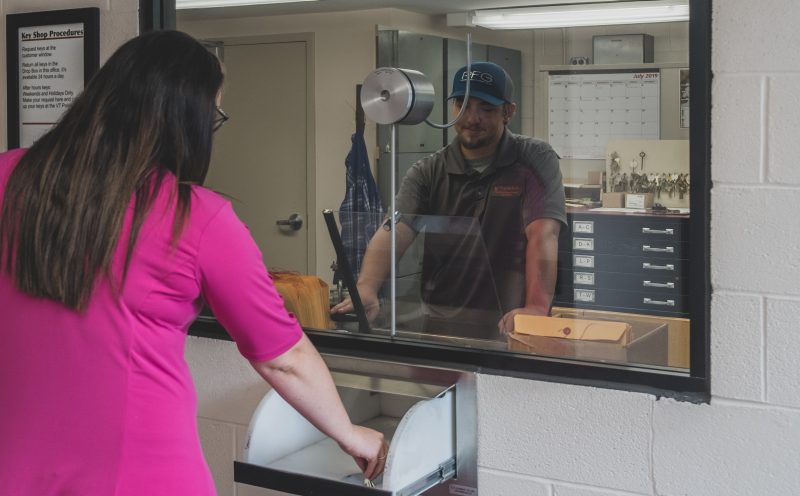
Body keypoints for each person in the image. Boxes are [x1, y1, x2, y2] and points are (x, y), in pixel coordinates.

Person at [0, 30, 386, 495]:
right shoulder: (197, 218)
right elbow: (284, 359)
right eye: (215, 115)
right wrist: (349, 433)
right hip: (142, 476)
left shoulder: (8, 177)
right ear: (183, 119)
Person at [332, 62, 566, 338]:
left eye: (486, 109)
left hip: (513, 322)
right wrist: (367, 288)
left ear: (508, 112)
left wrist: (536, 308)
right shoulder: (429, 171)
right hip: (442, 321)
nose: (471, 118)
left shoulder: (534, 159)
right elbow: (395, 229)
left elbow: (542, 233)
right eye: (462, 105)